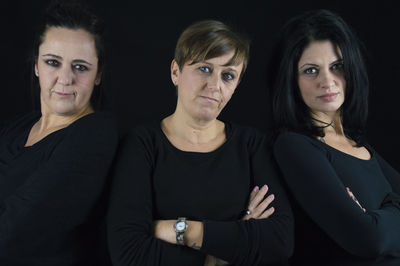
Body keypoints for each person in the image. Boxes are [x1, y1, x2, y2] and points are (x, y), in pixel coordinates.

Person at [107, 19, 293, 266]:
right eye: (204, 69)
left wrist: (180, 230)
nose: (214, 85)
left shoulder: (252, 146)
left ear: (236, 86)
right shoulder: (143, 145)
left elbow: (280, 242)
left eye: (228, 75)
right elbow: (129, 253)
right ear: (176, 71)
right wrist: (233, 243)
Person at [269, 9, 400, 266]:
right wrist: (389, 211)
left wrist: (379, 216)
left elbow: (378, 232)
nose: (327, 81)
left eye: (337, 66)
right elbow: (369, 239)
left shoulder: (359, 145)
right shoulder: (294, 146)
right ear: (291, 80)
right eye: (310, 70)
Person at [0, 1, 118, 265]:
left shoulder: (95, 136)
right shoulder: (16, 130)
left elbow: (17, 227)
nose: (65, 79)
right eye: (53, 62)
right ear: (36, 66)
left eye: (80, 67)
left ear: (98, 74)